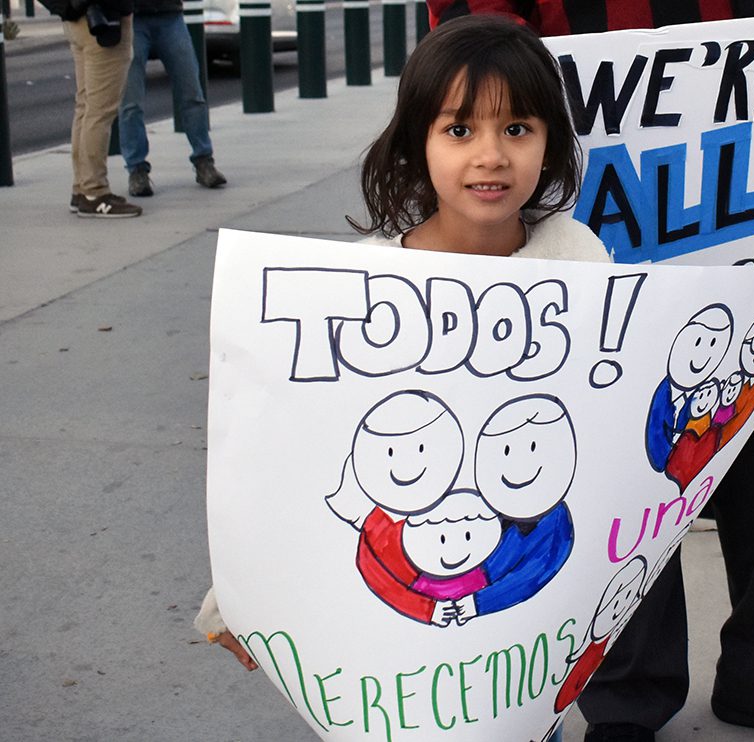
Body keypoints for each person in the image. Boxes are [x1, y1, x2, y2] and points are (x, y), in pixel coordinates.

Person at [428, 3, 754, 741]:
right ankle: (625, 695)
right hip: (609, 181)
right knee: (619, 472)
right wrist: (507, 95)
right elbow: (473, 30)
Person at [195, 16, 611, 738]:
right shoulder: (368, 280)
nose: (492, 156)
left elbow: (601, 421)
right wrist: (237, 596)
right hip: (398, 621)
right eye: (459, 130)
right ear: (417, 140)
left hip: (520, 622)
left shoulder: (577, 257)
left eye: (518, 128)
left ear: (550, 142)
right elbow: (304, 451)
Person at [39, 0, 143, 217]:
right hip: (103, 21)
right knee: (99, 112)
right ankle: (95, 192)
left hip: (79, 21)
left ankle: (82, 189)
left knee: (86, 107)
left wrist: (69, 7)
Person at [119, 0, 226, 197]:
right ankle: (136, 170)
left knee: (192, 92)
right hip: (132, 17)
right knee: (130, 102)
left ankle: (204, 161)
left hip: (170, 15)